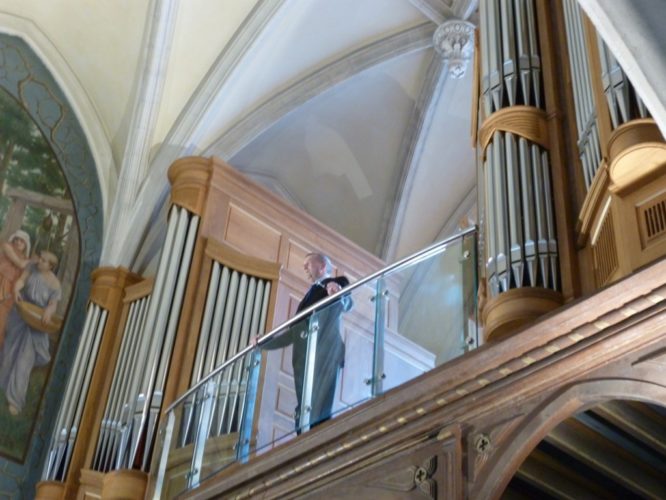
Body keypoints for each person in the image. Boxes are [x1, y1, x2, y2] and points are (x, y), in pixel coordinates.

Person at [262, 252, 351, 432]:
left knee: (320, 412)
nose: (304, 269)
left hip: (324, 355)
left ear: (322, 267)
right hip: (304, 361)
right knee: (304, 411)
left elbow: (346, 300)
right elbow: (292, 333)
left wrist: (338, 291)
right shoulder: (308, 298)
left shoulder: (335, 282)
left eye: (307, 264)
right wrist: (263, 343)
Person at [0, 251, 61, 416]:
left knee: (24, 361)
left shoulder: (55, 284)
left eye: (43, 261)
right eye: (40, 259)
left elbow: (53, 304)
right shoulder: (32, 268)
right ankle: (2, 385)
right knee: (9, 351)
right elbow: (21, 280)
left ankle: (15, 400)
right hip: (20, 313)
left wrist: (48, 311)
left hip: (35, 323)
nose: (39, 261)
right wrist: (16, 290)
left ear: (50, 266)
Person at [0, 230, 32, 350]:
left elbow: (23, 278)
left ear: (26, 245)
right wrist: (32, 260)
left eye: (22, 241)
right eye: (16, 239)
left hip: (10, 291)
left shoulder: (26, 259)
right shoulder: (7, 246)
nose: (18, 242)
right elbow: (20, 264)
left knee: (1, 323)